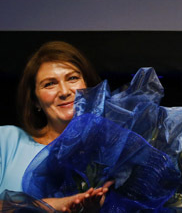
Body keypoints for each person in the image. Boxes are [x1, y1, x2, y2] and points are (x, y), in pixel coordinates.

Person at [1, 41, 110, 212]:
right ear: (35, 101)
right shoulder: (8, 140)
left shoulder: (110, 152)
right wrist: (54, 205)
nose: (65, 91)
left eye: (72, 78)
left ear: (89, 88)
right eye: (49, 84)